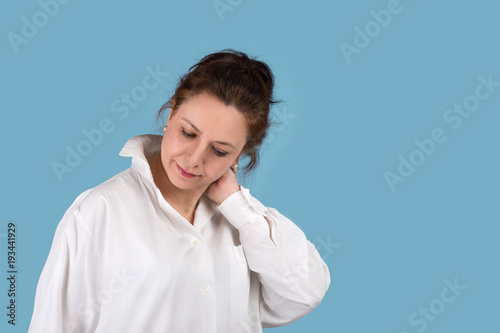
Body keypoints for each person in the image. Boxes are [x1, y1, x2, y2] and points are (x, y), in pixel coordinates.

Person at [28, 49, 330, 332]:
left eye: (220, 151)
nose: (194, 159)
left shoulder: (243, 224)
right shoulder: (99, 212)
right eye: (189, 133)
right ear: (171, 112)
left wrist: (237, 206)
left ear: (240, 156)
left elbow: (304, 293)